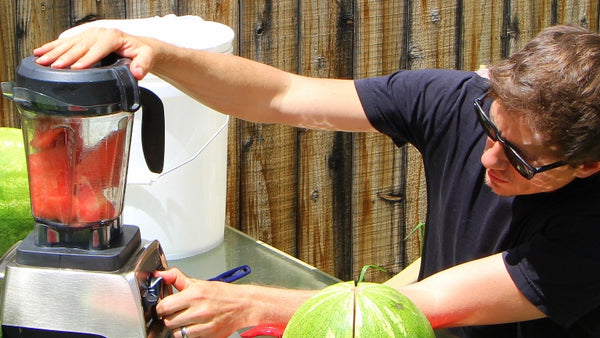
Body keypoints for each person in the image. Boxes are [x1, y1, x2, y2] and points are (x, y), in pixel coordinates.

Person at [33, 23, 600, 338]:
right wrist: (158, 55)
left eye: (521, 159)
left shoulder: (588, 233)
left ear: (587, 165)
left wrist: (253, 306)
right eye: (489, 128)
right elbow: (284, 95)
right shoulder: (455, 101)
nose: (488, 159)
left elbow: (430, 305)